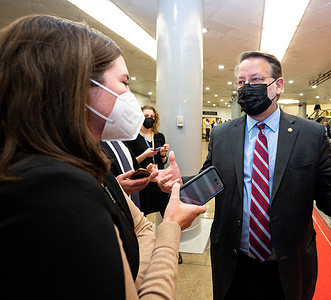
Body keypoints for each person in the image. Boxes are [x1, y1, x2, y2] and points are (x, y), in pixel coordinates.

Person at [154, 51, 331, 299]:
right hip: (232, 262)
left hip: (289, 265)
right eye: (241, 82)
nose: (246, 88)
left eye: (255, 80)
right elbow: (210, 181)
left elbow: (328, 191)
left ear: (277, 85)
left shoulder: (310, 134)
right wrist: (181, 186)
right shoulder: (222, 134)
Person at [0, 15, 205, 299]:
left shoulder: (87, 164)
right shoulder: (55, 194)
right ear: (75, 88)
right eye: (123, 82)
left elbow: (140, 228)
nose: (128, 96)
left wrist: (118, 192)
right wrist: (170, 227)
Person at [126, 105, 169, 171]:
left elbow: (164, 162)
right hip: (142, 177)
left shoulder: (160, 136)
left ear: (155, 119)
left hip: (159, 175)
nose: (149, 118)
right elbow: (130, 164)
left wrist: (162, 154)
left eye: (152, 116)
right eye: (146, 116)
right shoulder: (133, 137)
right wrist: (145, 155)